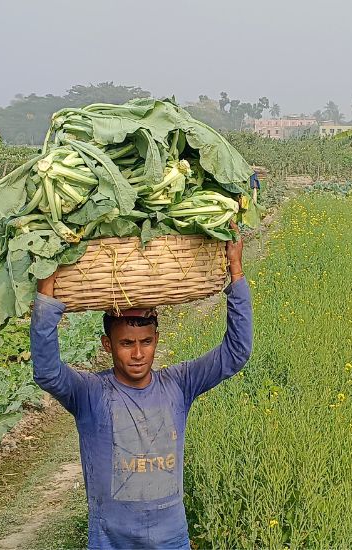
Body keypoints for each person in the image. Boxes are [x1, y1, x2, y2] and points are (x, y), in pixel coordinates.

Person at [30, 222, 253, 549]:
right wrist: (47, 292)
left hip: (172, 539)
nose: (138, 354)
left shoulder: (179, 384)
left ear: (156, 340)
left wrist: (235, 270)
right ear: (107, 345)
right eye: (126, 344)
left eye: (146, 342)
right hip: (111, 541)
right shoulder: (91, 393)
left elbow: (237, 351)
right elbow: (47, 371)